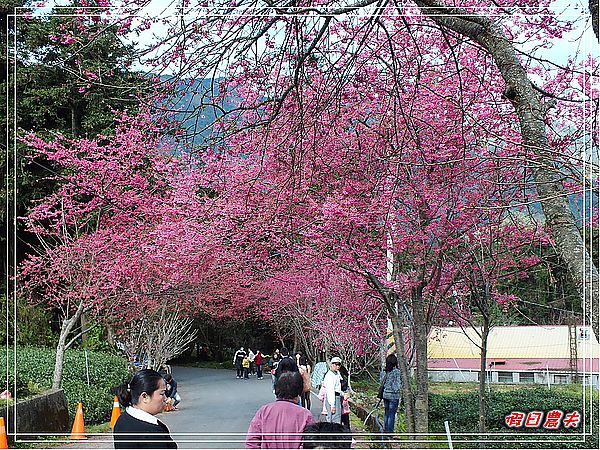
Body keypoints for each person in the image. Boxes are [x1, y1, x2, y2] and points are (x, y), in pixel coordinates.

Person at [245, 371, 315, 449]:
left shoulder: (263, 411)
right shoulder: (306, 415)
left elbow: (251, 442)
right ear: (299, 390)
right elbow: (310, 444)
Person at [113, 369, 177, 449]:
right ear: (145, 397)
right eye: (162, 393)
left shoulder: (122, 419)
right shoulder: (151, 433)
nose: (165, 398)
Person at [380, 353, 402, 434]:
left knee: (386, 413)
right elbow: (396, 386)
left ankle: (385, 430)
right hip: (393, 396)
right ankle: (390, 433)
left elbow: (381, 382)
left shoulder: (384, 371)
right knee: (391, 414)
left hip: (385, 395)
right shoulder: (396, 372)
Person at [322, 357, 343, 424]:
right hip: (333, 398)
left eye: (339, 364)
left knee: (335, 418)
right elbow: (330, 390)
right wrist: (332, 405)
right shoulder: (330, 376)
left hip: (337, 397)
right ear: (331, 364)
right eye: (335, 364)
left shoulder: (337, 373)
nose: (337, 366)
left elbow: (338, 388)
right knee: (334, 419)